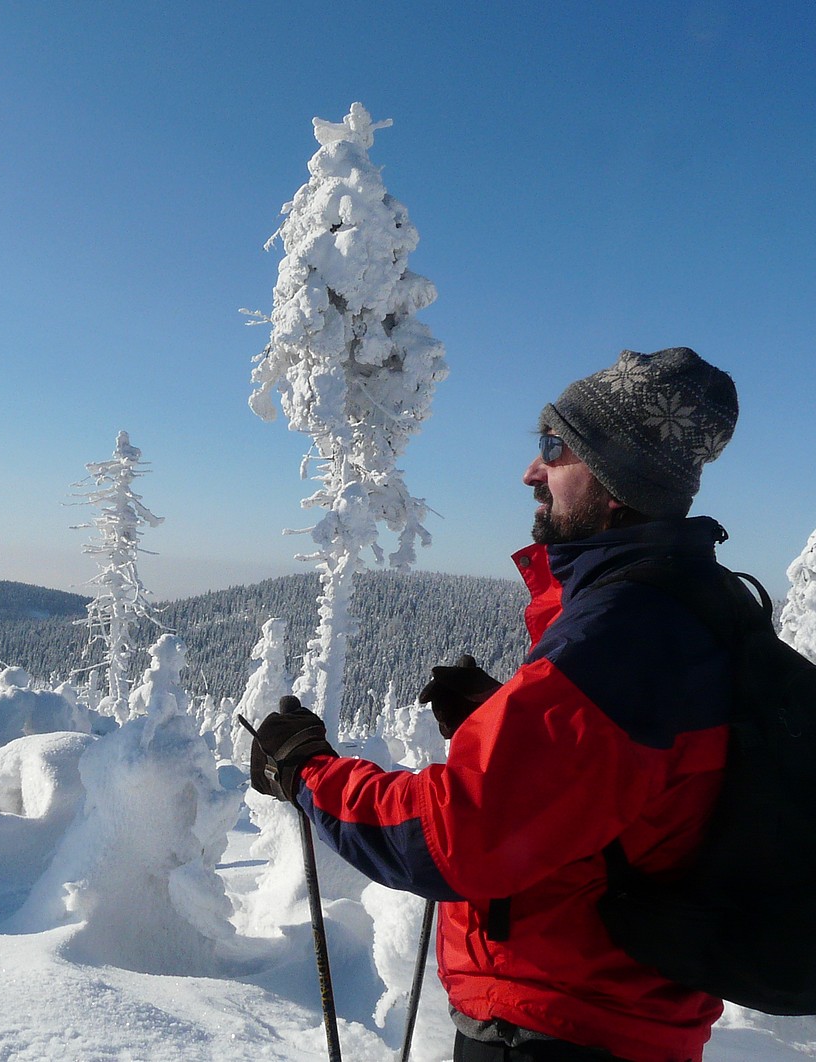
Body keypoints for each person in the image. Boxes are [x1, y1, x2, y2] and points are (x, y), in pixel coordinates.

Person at [250, 348, 740, 1062]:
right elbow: (606, 778)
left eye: (556, 447)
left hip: (559, 1027)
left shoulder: (625, 634)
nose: (531, 471)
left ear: (615, 479)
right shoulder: (685, 607)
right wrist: (500, 717)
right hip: (608, 1020)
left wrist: (308, 772)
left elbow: (453, 838)